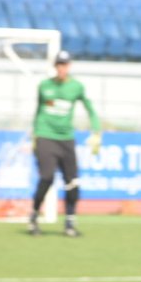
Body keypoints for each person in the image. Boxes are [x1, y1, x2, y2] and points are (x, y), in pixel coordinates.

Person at [29, 50, 101, 237]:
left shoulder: (76, 87)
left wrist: (96, 130)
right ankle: (34, 216)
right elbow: (37, 112)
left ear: (69, 66)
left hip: (66, 140)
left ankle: (69, 223)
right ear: (55, 66)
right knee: (47, 177)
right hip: (45, 136)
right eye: (59, 64)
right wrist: (34, 136)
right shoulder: (45, 86)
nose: (62, 68)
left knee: (73, 183)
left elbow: (90, 108)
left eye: (65, 64)